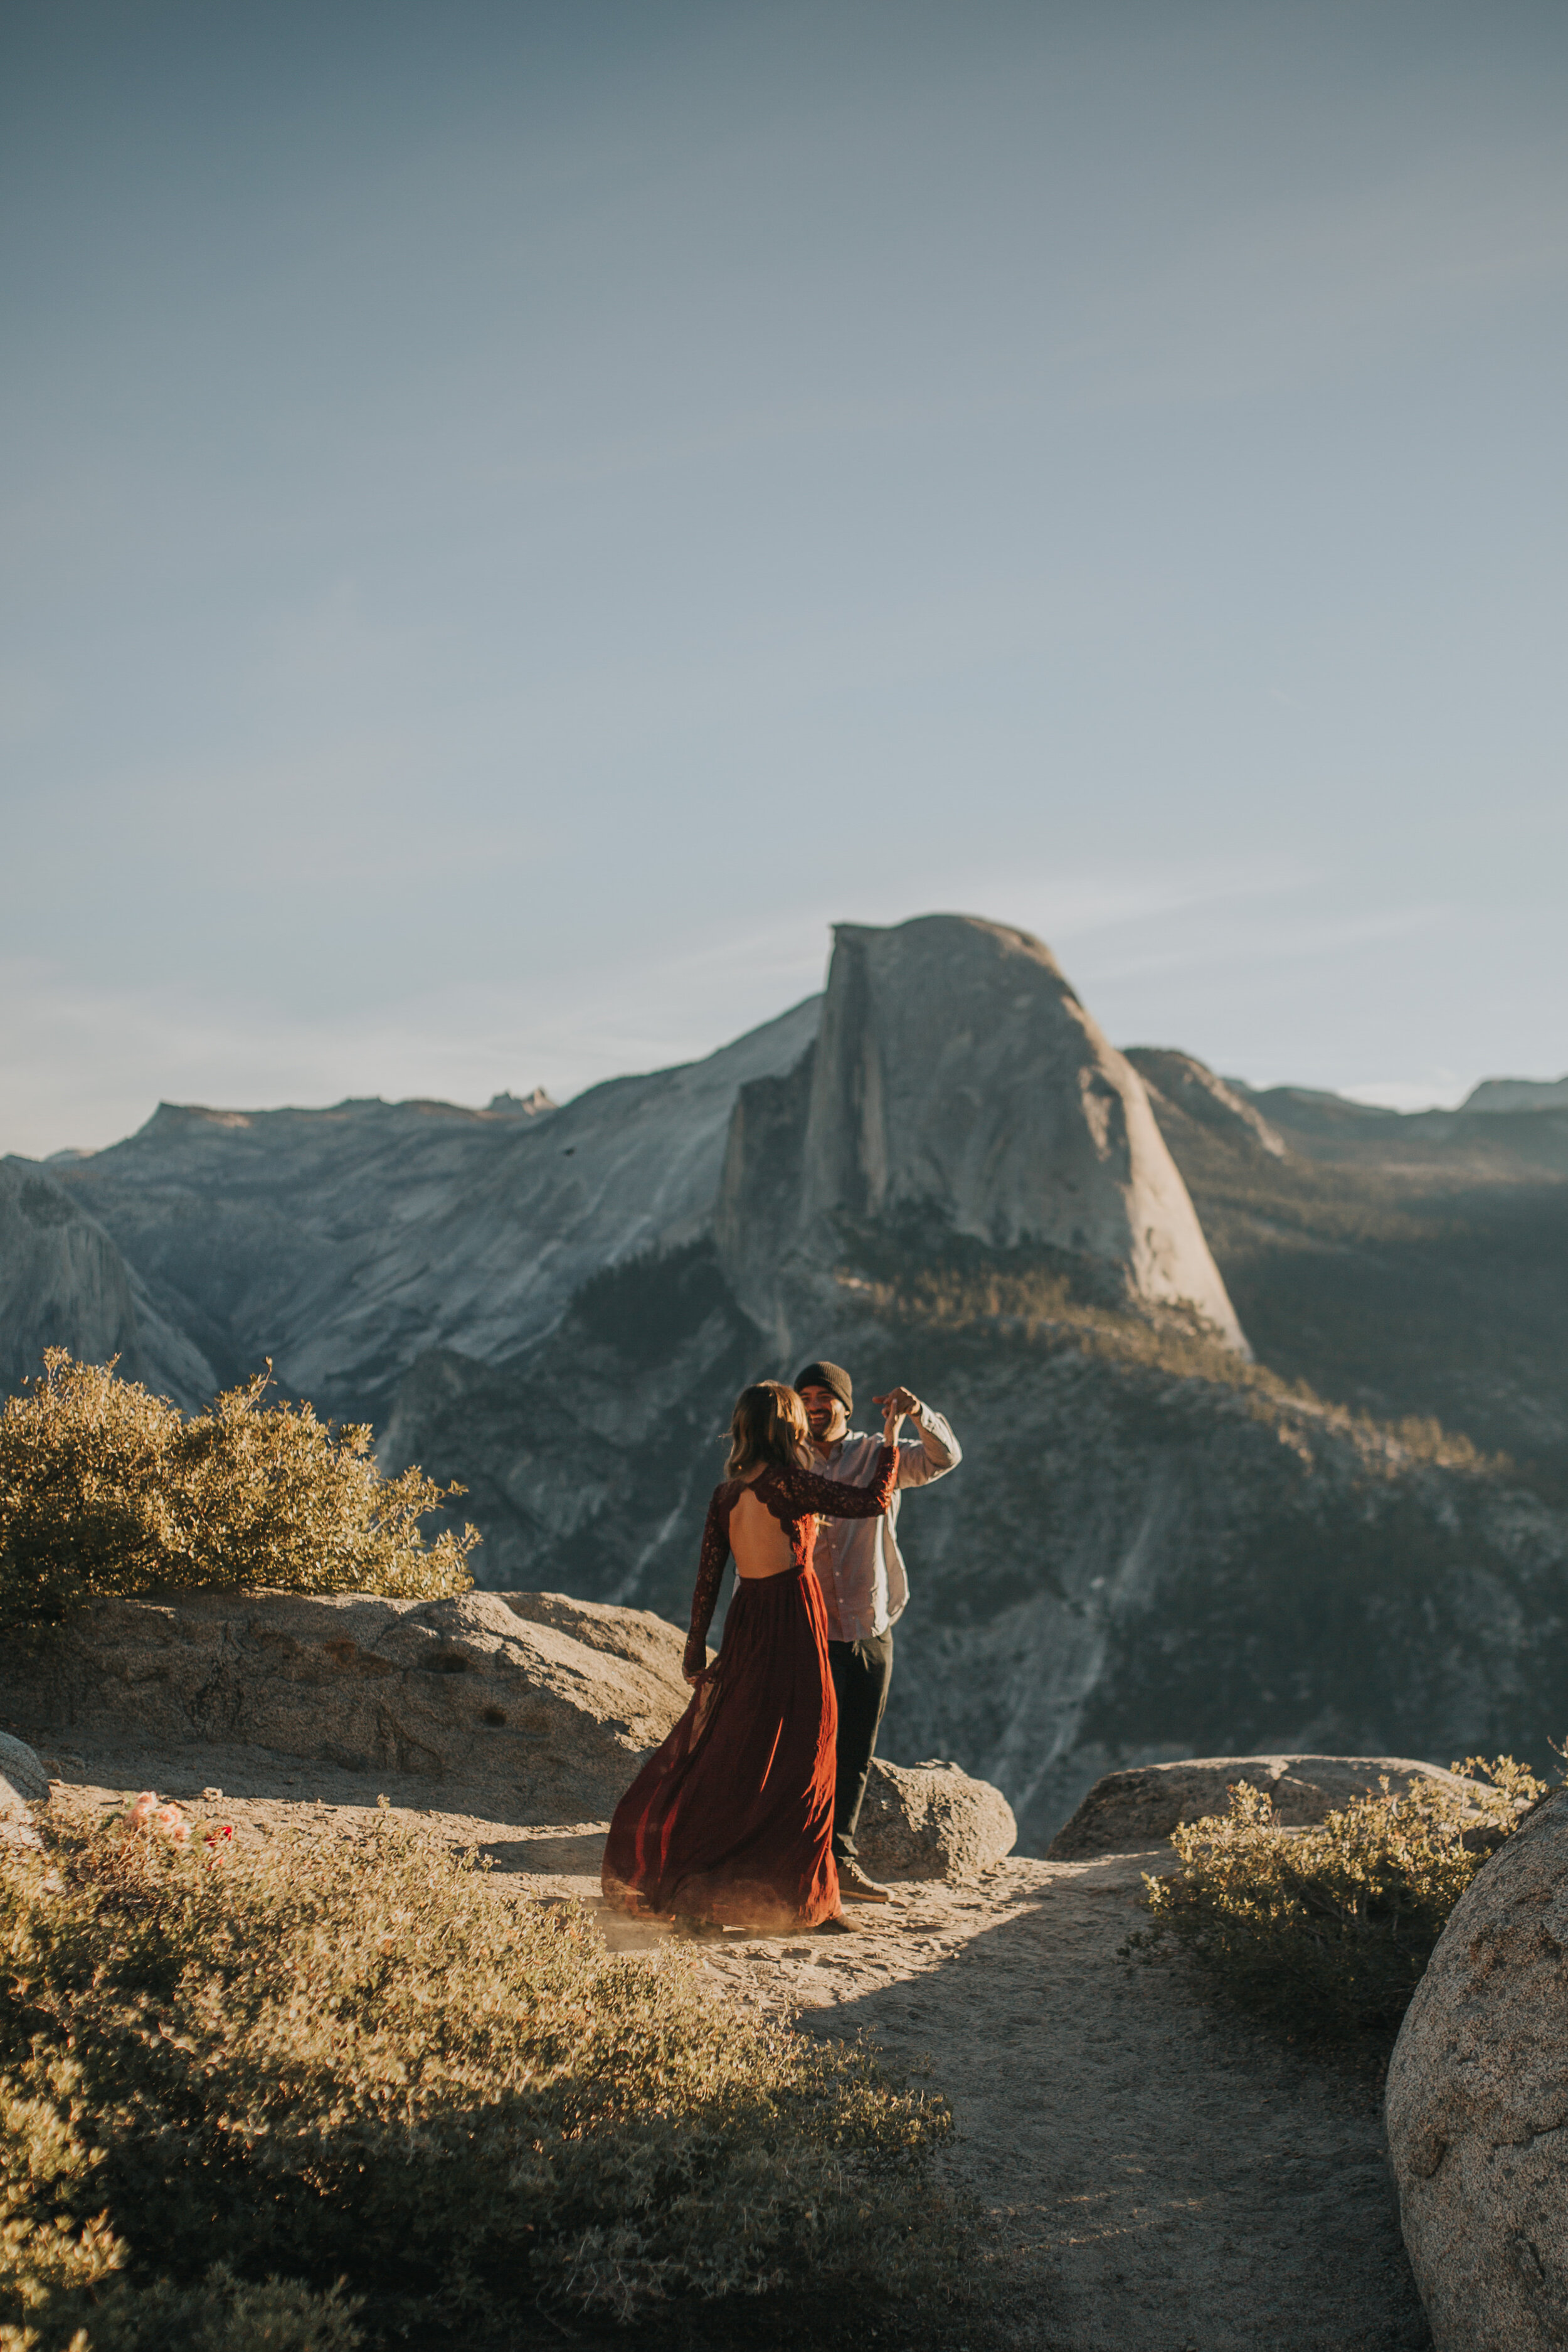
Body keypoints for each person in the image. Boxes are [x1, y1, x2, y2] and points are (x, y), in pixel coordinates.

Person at [601, 1380, 904, 1934]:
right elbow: (874, 1501)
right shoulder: (790, 1485)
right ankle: (811, 1902)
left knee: (736, 1750)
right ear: (790, 1428)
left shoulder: (727, 1492)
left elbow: (708, 1579)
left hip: (747, 1621)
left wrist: (697, 1648)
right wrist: (890, 1440)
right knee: (810, 1752)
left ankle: (706, 1886)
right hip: (792, 1619)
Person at [793, 1360, 962, 1904]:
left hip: (868, 1625)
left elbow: (945, 1459)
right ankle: (792, 1863)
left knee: (855, 1751)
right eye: (806, 1396)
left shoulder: (877, 1452)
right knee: (801, 1748)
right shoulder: (787, 1458)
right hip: (808, 1629)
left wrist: (918, 1414)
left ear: (844, 1403)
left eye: (824, 1396)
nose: (814, 1405)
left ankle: (840, 1862)